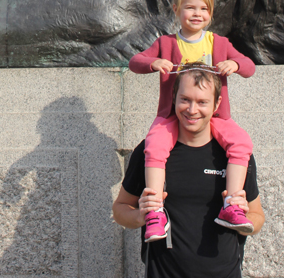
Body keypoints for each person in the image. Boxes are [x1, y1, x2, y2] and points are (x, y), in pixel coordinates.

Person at [129, 0, 255, 242]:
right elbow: (135, 61)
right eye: (190, 7)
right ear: (176, 9)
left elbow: (249, 66)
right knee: (154, 145)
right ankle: (155, 213)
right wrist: (154, 62)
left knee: (241, 142)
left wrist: (234, 64)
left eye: (204, 9)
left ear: (210, 14)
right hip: (173, 115)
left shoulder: (217, 42)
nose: (197, 14)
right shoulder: (166, 42)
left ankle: (231, 204)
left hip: (213, 117)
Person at [113, 66, 265, 278]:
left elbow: (258, 217)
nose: (192, 110)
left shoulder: (235, 156)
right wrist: (140, 216)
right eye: (185, 99)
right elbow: (120, 209)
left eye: (202, 102)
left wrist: (245, 218)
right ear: (174, 97)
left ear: (217, 104)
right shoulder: (150, 151)